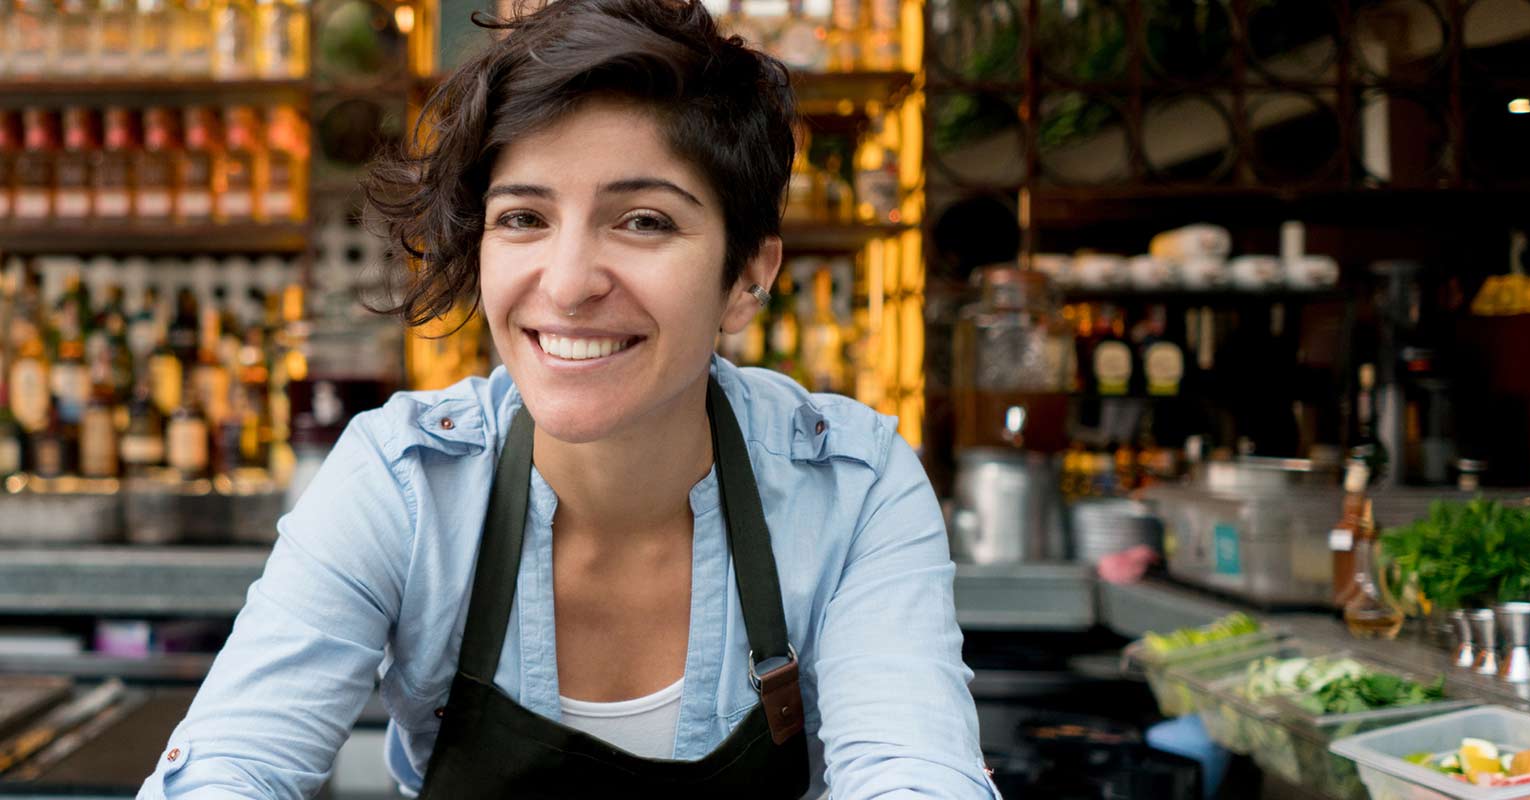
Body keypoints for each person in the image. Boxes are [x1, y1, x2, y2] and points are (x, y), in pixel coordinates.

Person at [137, 0, 997, 797]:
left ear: (747, 277)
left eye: (644, 221)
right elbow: (233, 763)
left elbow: (915, 773)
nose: (570, 283)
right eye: (523, 219)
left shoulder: (850, 485)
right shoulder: (404, 480)